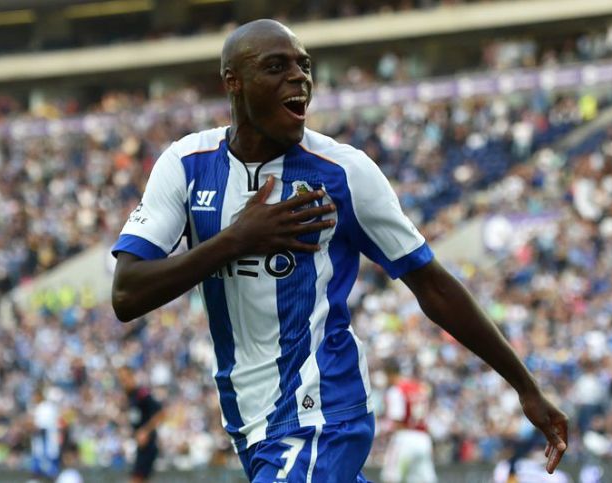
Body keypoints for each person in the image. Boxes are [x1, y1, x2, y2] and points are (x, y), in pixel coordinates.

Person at [111, 18, 568, 482]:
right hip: (249, 421)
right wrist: (236, 240)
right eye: (277, 66)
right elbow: (127, 293)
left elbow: (433, 286)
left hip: (323, 412)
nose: (299, 77)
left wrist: (525, 387)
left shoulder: (344, 172)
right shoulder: (186, 165)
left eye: (304, 65)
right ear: (234, 82)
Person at [380, 358, 437, 483]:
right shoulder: (419, 387)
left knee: (391, 477)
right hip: (423, 439)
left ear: (389, 373)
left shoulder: (396, 390)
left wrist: (386, 435)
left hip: (405, 437)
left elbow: (397, 418)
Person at [116, 366, 167, 483]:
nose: (123, 383)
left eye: (125, 379)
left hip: (148, 444)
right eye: (121, 380)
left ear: (131, 377)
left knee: (136, 479)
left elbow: (161, 413)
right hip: (140, 446)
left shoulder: (141, 394)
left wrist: (145, 431)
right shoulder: (130, 396)